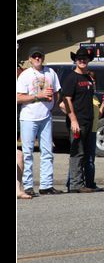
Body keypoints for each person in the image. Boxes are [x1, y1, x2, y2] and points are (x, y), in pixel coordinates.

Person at [16, 46, 62, 196]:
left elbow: (57, 92)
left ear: (43, 58)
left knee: (47, 151)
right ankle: (28, 186)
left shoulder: (50, 73)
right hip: (28, 117)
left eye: (40, 56)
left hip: (46, 116)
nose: (37, 59)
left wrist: (52, 104)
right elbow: (18, 98)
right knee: (28, 153)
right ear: (30, 59)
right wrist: (39, 96)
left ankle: (46, 185)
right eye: (34, 56)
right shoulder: (25, 75)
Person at [61, 47, 98, 194]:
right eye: (79, 59)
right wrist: (73, 120)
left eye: (85, 59)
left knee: (88, 153)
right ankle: (75, 184)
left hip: (89, 121)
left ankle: (87, 183)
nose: (82, 61)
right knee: (77, 152)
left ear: (88, 60)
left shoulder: (88, 78)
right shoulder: (71, 78)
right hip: (78, 122)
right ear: (75, 61)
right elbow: (66, 100)